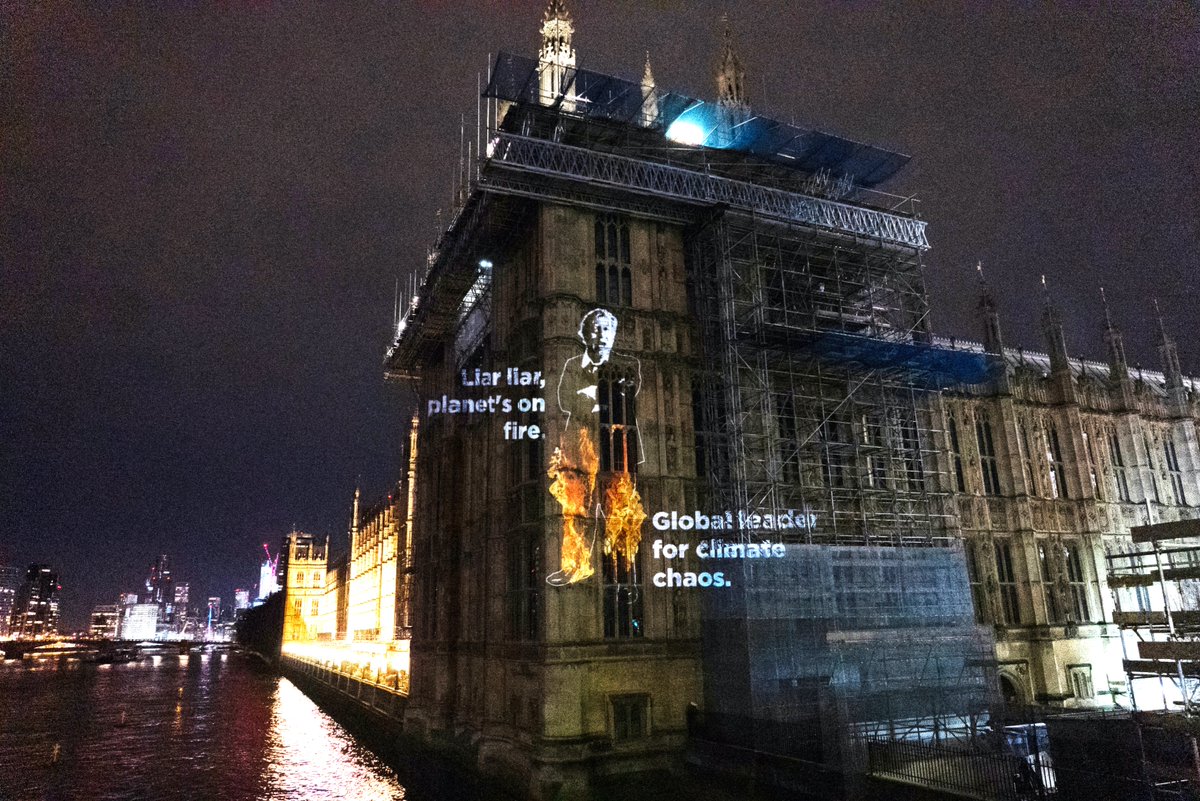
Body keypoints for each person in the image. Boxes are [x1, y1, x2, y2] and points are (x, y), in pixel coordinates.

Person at [546, 309, 644, 586]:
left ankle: (626, 576)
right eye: (596, 329)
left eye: (607, 330)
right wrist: (599, 398)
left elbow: (629, 396)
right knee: (577, 511)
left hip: (619, 456)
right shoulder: (572, 364)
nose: (601, 335)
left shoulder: (628, 363)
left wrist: (592, 397)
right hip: (580, 451)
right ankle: (575, 567)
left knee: (621, 515)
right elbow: (565, 401)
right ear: (586, 333)